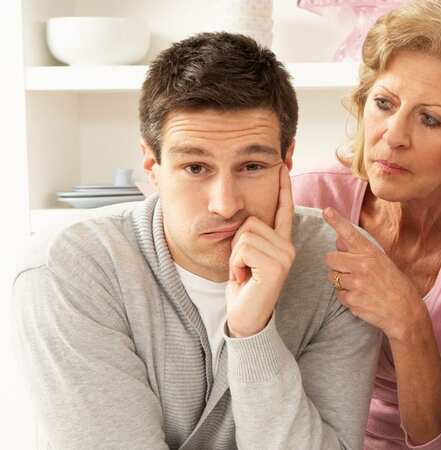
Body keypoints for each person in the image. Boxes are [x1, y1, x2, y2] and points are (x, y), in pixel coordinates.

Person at [13, 32, 380, 450]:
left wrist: (253, 333)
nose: (225, 204)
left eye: (253, 166)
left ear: (288, 161)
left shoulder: (340, 265)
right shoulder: (68, 269)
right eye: (195, 168)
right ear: (151, 164)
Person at [291, 1, 441, 448]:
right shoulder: (306, 198)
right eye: (384, 104)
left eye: (430, 119)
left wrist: (407, 319)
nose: (393, 135)